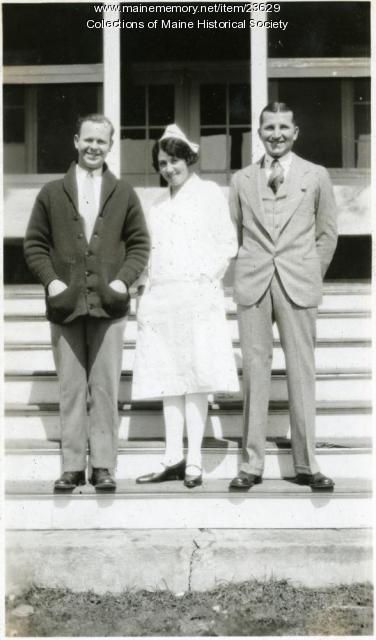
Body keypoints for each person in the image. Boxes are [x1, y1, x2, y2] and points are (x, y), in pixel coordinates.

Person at [24, 113, 150, 492]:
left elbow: (140, 243)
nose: (94, 147)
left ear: (111, 146)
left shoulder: (124, 192)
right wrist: (52, 281)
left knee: (106, 387)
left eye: (102, 141)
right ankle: (72, 466)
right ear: (76, 141)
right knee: (72, 388)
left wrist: (121, 281)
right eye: (88, 140)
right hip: (66, 305)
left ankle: (104, 467)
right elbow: (34, 245)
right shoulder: (51, 192)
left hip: (109, 308)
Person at [229, 102, 338, 491]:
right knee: (255, 372)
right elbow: (238, 231)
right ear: (259, 132)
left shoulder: (316, 175)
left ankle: (307, 464)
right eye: (268, 127)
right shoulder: (241, 179)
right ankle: (251, 464)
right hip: (254, 283)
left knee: (301, 372)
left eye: (283, 127)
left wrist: (310, 272)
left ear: (296, 132)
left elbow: (327, 234)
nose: (276, 134)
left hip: (298, 282)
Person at [132, 124, 239, 488]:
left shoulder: (209, 193)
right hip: (162, 299)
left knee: (196, 378)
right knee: (168, 378)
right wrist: (143, 289)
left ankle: (194, 459)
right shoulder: (157, 205)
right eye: (162, 162)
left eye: (175, 160)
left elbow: (227, 242)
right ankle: (172, 456)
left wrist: (205, 278)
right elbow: (149, 253)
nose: (169, 168)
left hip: (197, 297)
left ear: (188, 159)